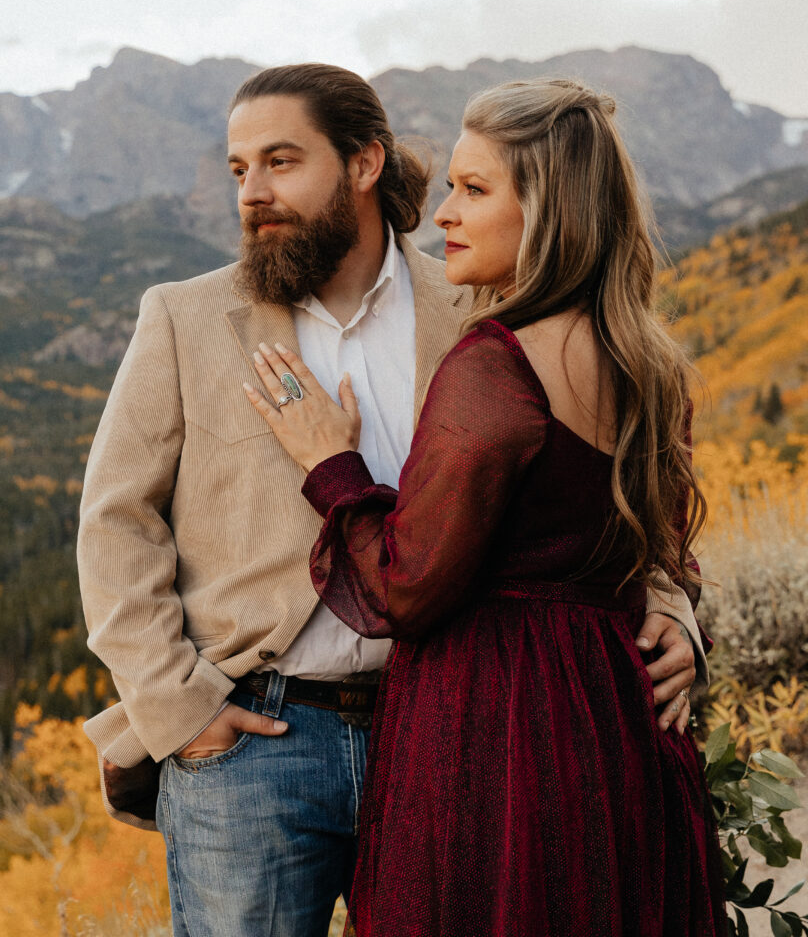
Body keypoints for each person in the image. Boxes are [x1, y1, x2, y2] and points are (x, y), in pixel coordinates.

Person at [78, 65, 707, 937]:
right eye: (238, 170)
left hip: (462, 741)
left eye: (281, 161)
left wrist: (670, 607)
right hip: (259, 744)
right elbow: (115, 521)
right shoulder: (184, 318)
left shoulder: (486, 303)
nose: (253, 192)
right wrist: (183, 711)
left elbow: (597, 486)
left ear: (365, 162)